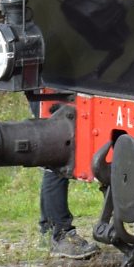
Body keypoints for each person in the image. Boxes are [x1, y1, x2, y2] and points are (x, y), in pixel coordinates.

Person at [32, 95, 98, 258]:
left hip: (62, 86)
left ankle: (50, 232)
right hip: (55, 87)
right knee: (58, 157)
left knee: (56, 159)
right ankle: (58, 234)